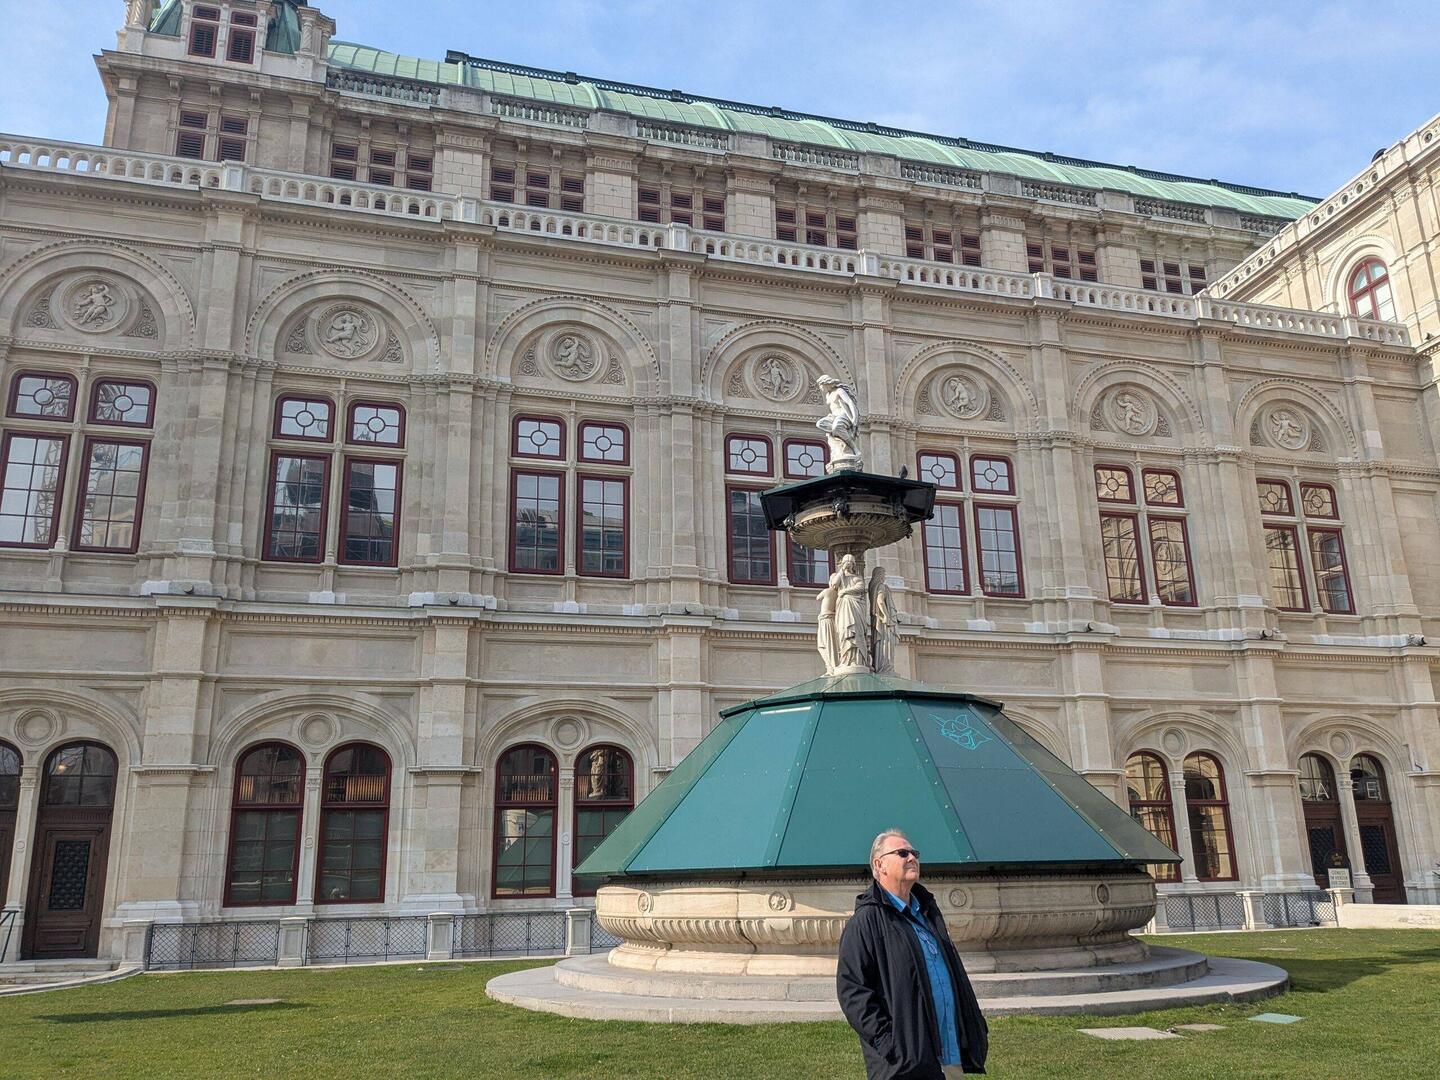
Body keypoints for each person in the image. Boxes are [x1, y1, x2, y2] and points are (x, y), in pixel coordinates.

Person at [837, 829, 987, 1078]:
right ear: (879, 864)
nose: (912, 858)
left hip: (948, 1057)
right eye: (902, 853)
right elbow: (852, 991)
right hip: (904, 1064)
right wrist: (889, 1042)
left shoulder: (927, 914)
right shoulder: (866, 921)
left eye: (914, 853)